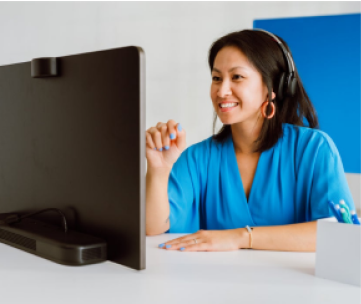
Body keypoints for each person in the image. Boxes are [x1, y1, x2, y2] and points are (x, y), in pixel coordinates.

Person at [145, 29, 355, 252]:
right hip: (213, 284)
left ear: (273, 87)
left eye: (237, 77)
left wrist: (240, 237)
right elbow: (154, 227)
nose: (222, 90)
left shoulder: (314, 150)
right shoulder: (197, 158)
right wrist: (158, 170)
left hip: (297, 285)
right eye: (217, 78)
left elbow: (341, 234)